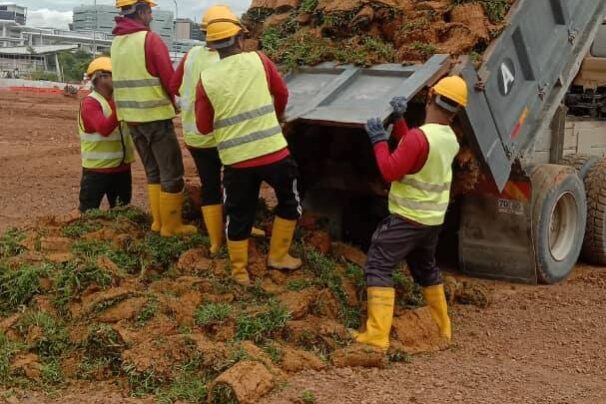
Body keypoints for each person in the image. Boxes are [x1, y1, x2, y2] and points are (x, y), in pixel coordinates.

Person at [354, 76, 468, 350]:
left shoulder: (420, 138)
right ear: (456, 111)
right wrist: (400, 122)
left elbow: (391, 170)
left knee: (379, 265)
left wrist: (379, 141)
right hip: (431, 222)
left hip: (407, 219)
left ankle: (376, 336)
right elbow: (416, 151)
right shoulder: (449, 138)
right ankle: (443, 328)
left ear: (430, 96)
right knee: (426, 268)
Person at [194, 5, 299, 285]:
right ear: (240, 39)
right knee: (289, 202)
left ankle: (239, 272)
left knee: (239, 214)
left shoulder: (206, 79)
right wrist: (275, 116)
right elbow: (282, 93)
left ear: (213, 46)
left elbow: (203, 126)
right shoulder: (260, 61)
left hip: (236, 161)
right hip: (274, 153)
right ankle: (279, 256)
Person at [169, 6, 264, 256]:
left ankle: (214, 241)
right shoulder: (230, 59)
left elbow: (173, 86)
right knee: (237, 183)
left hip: (196, 137)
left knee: (210, 185)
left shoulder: (190, 56)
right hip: (226, 137)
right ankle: (241, 227)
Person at [111, 0, 196, 237]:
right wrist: (178, 98)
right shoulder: (150, 40)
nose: (151, 16)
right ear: (140, 11)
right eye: (149, 11)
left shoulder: (117, 42)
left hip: (132, 120)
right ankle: (172, 227)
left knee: (153, 172)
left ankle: (158, 223)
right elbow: (170, 79)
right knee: (172, 172)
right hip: (155, 118)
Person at [78, 56, 135, 213]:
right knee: (88, 214)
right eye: (114, 75)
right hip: (97, 172)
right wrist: (120, 106)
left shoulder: (113, 101)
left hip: (121, 169)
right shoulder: (91, 103)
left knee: (123, 215)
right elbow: (104, 128)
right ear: (101, 77)